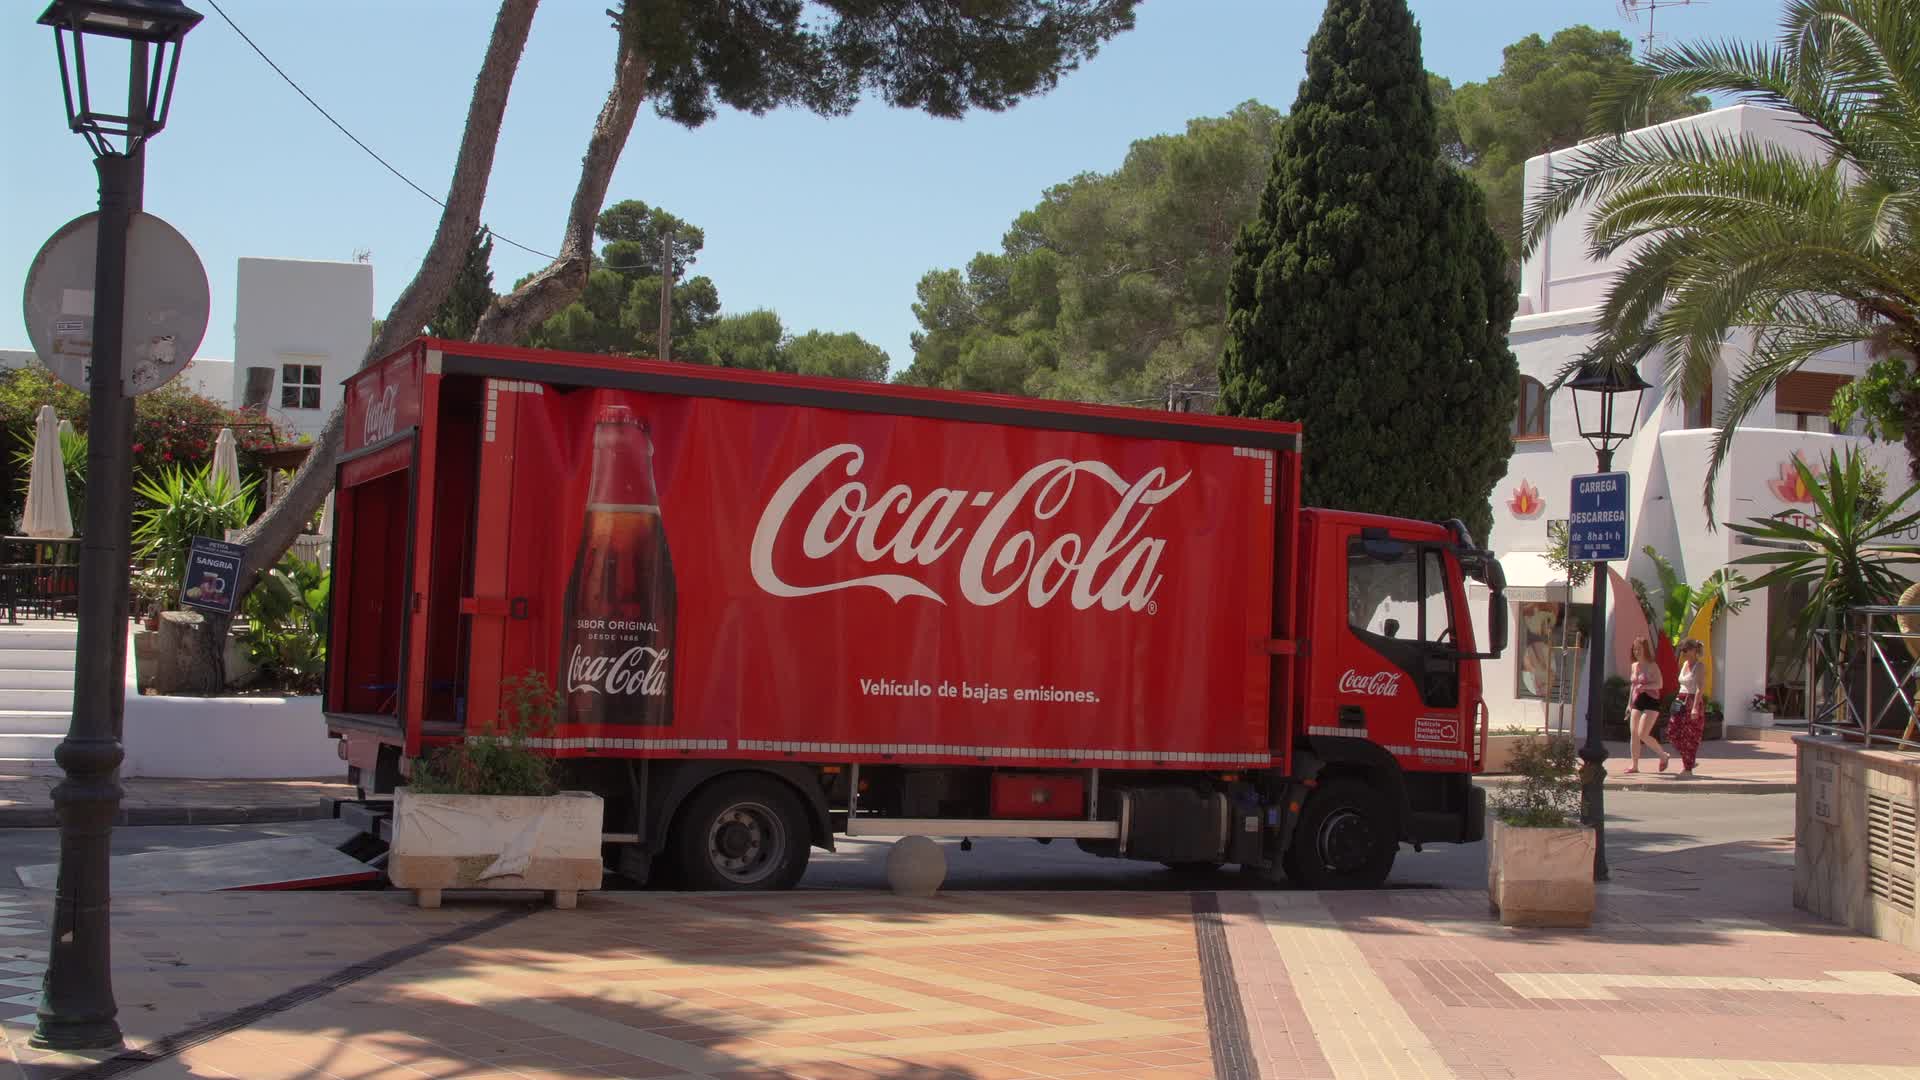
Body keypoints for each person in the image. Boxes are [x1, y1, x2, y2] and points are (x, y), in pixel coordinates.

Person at [1625, 637, 1668, 773]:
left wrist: (1645, 687)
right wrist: (1629, 704)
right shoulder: (1634, 666)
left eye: (1639, 649)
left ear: (1645, 650)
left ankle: (1663, 755)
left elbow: (1660, 684)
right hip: (1638, 700)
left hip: (1651, 700)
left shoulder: (1652, 666)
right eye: (1635, 649)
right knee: (1634, 733)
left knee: (1643, 733)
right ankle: (1634, 765)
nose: (1636, 651)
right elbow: (1633, 686)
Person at [1669, 639, 1707, 777]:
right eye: (1682, 650)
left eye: (1685, 650)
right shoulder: (1684, 664)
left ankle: (1687, 768)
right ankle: (1688, 760)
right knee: (1672, 732)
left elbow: (1699, 688)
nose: (1683, 653)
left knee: (1690, 736)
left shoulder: (1700, 666)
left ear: (1693, 651)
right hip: (1680, 699)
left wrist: (1695, 707)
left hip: (1692, 700)